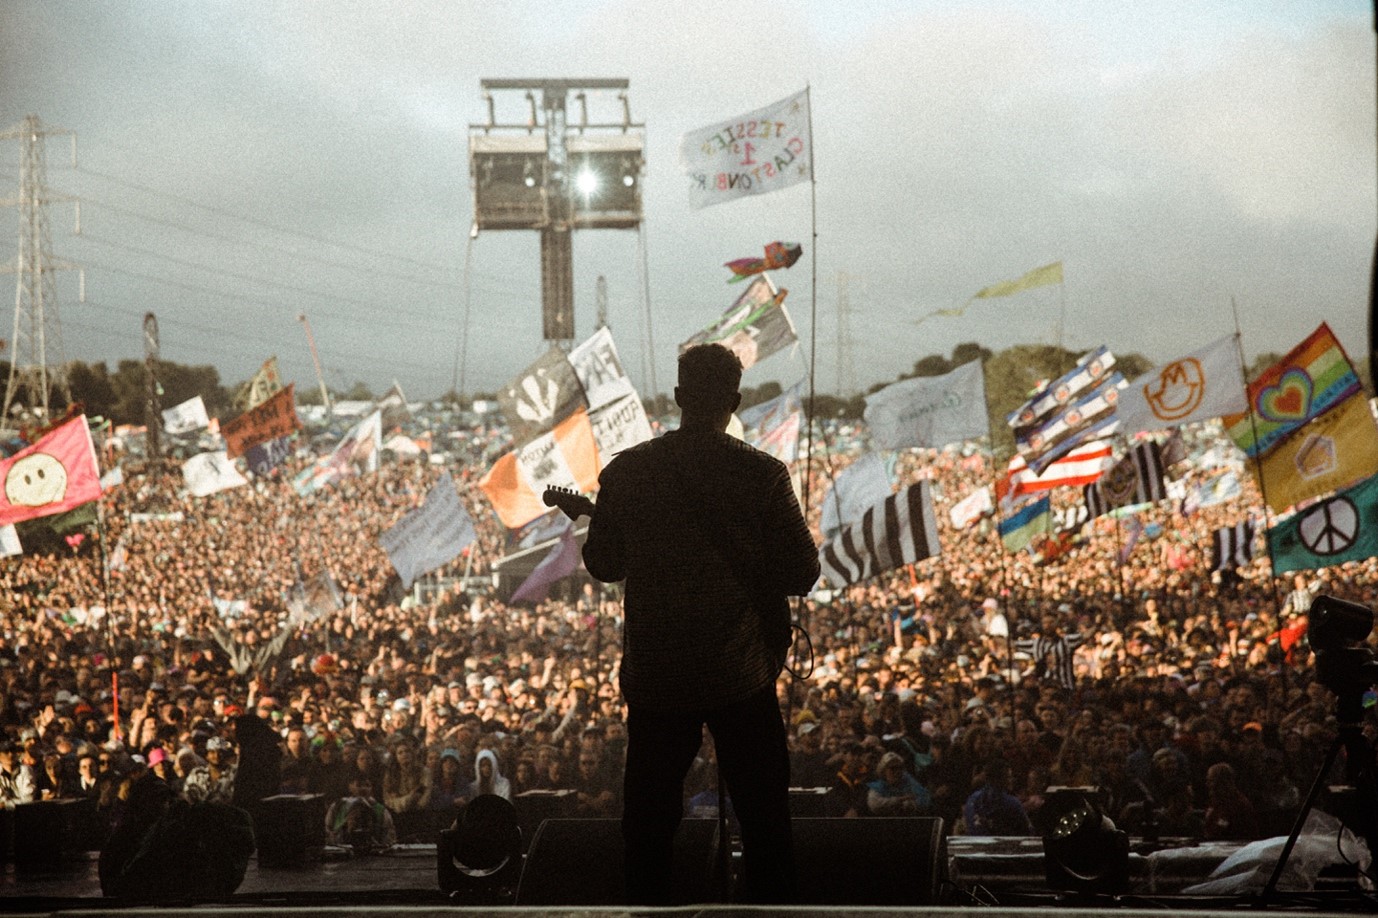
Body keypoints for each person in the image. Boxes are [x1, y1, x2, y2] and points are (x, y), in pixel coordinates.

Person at [582, 343, 820, 905]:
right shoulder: (763, 475)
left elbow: (604, 564)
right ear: (734, 401)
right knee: (765, 820)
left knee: (647, 824)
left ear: (678, 397)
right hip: (740, 673)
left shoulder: (627, 471)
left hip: (657, 677)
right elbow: (804, 571)